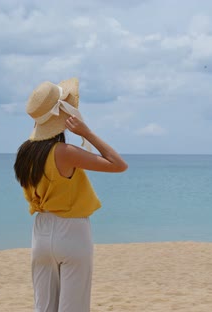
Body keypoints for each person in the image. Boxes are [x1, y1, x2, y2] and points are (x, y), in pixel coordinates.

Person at [14, 78, 128, 312]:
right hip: (72, 232)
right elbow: (118, 164)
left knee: (44, 307)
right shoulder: (65, 152)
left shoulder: (25, 153)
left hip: (41, 231)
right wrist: (87, 133)